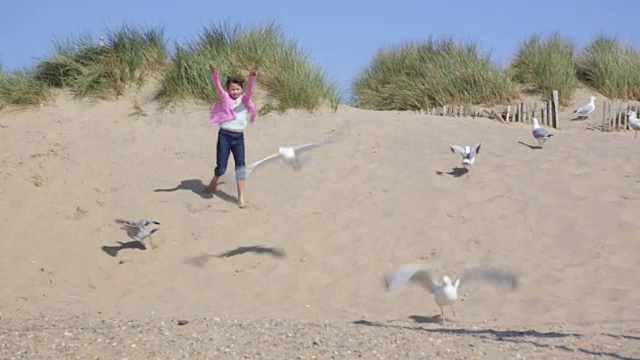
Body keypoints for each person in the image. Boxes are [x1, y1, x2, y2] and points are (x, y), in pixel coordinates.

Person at [205, 63, 258, 208]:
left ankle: (241, 197)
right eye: (232, 89)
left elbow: (251, 88)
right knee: (222, 167)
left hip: (238, 138)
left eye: (237, 89)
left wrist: (252, 75)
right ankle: (215, 180)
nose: (234, 91)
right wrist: (215, 74)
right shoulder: (225, 99)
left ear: (242, 90)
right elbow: (217, 86)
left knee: (241, 167)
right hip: (224, 136)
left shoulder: (245, 100)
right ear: (228, 90)